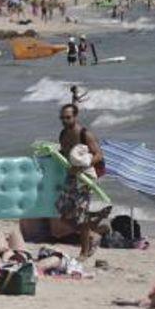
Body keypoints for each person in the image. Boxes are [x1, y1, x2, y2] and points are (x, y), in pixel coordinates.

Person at [55, 103, 107, 259]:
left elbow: (99, 155)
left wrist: (82, 167)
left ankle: (84, 251)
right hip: (70, 177)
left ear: (75, 117)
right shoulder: (63, 134)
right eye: (62, 118)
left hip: (84, 178)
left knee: (82, 217)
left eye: (68, 117)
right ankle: (92, 235)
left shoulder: (85, 134)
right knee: (63, 215)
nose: (64, 120)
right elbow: (65, 154)